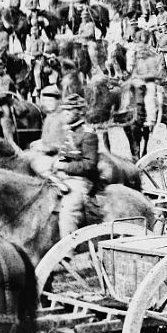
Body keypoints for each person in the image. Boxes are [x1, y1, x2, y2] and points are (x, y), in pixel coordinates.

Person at [54, 94, 99, 239]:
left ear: (79, 111)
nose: (65, 113)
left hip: (80, 180)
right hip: (60, 177)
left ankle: (67, 254)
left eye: (70, 110)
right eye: (64, 110)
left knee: (68, 213)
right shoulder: (67, 130)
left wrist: (64, 166)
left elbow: (89, 165)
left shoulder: (88, 134)